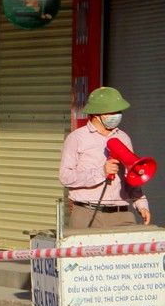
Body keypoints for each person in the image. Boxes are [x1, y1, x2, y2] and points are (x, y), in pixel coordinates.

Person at [59, 86, 151, 229]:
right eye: (113, 111)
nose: (118, 115)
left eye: (119, 111)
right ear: (97, 114)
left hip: (121, 215)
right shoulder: (77, 138)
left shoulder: (123, 137)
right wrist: (101, 172)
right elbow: (65, 177)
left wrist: (141, 204)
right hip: (86, 214)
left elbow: (131, 177)